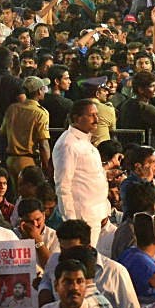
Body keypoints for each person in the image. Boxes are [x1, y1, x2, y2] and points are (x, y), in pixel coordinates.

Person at [52, 98, 111, 243]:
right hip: (82, 218)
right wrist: (71, 222)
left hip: (97, 214)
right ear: (76, 118)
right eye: (91, 115)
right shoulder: (68, 145)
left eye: (97, 115)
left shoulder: (85, 142)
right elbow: (63, 186)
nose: (96, 119)